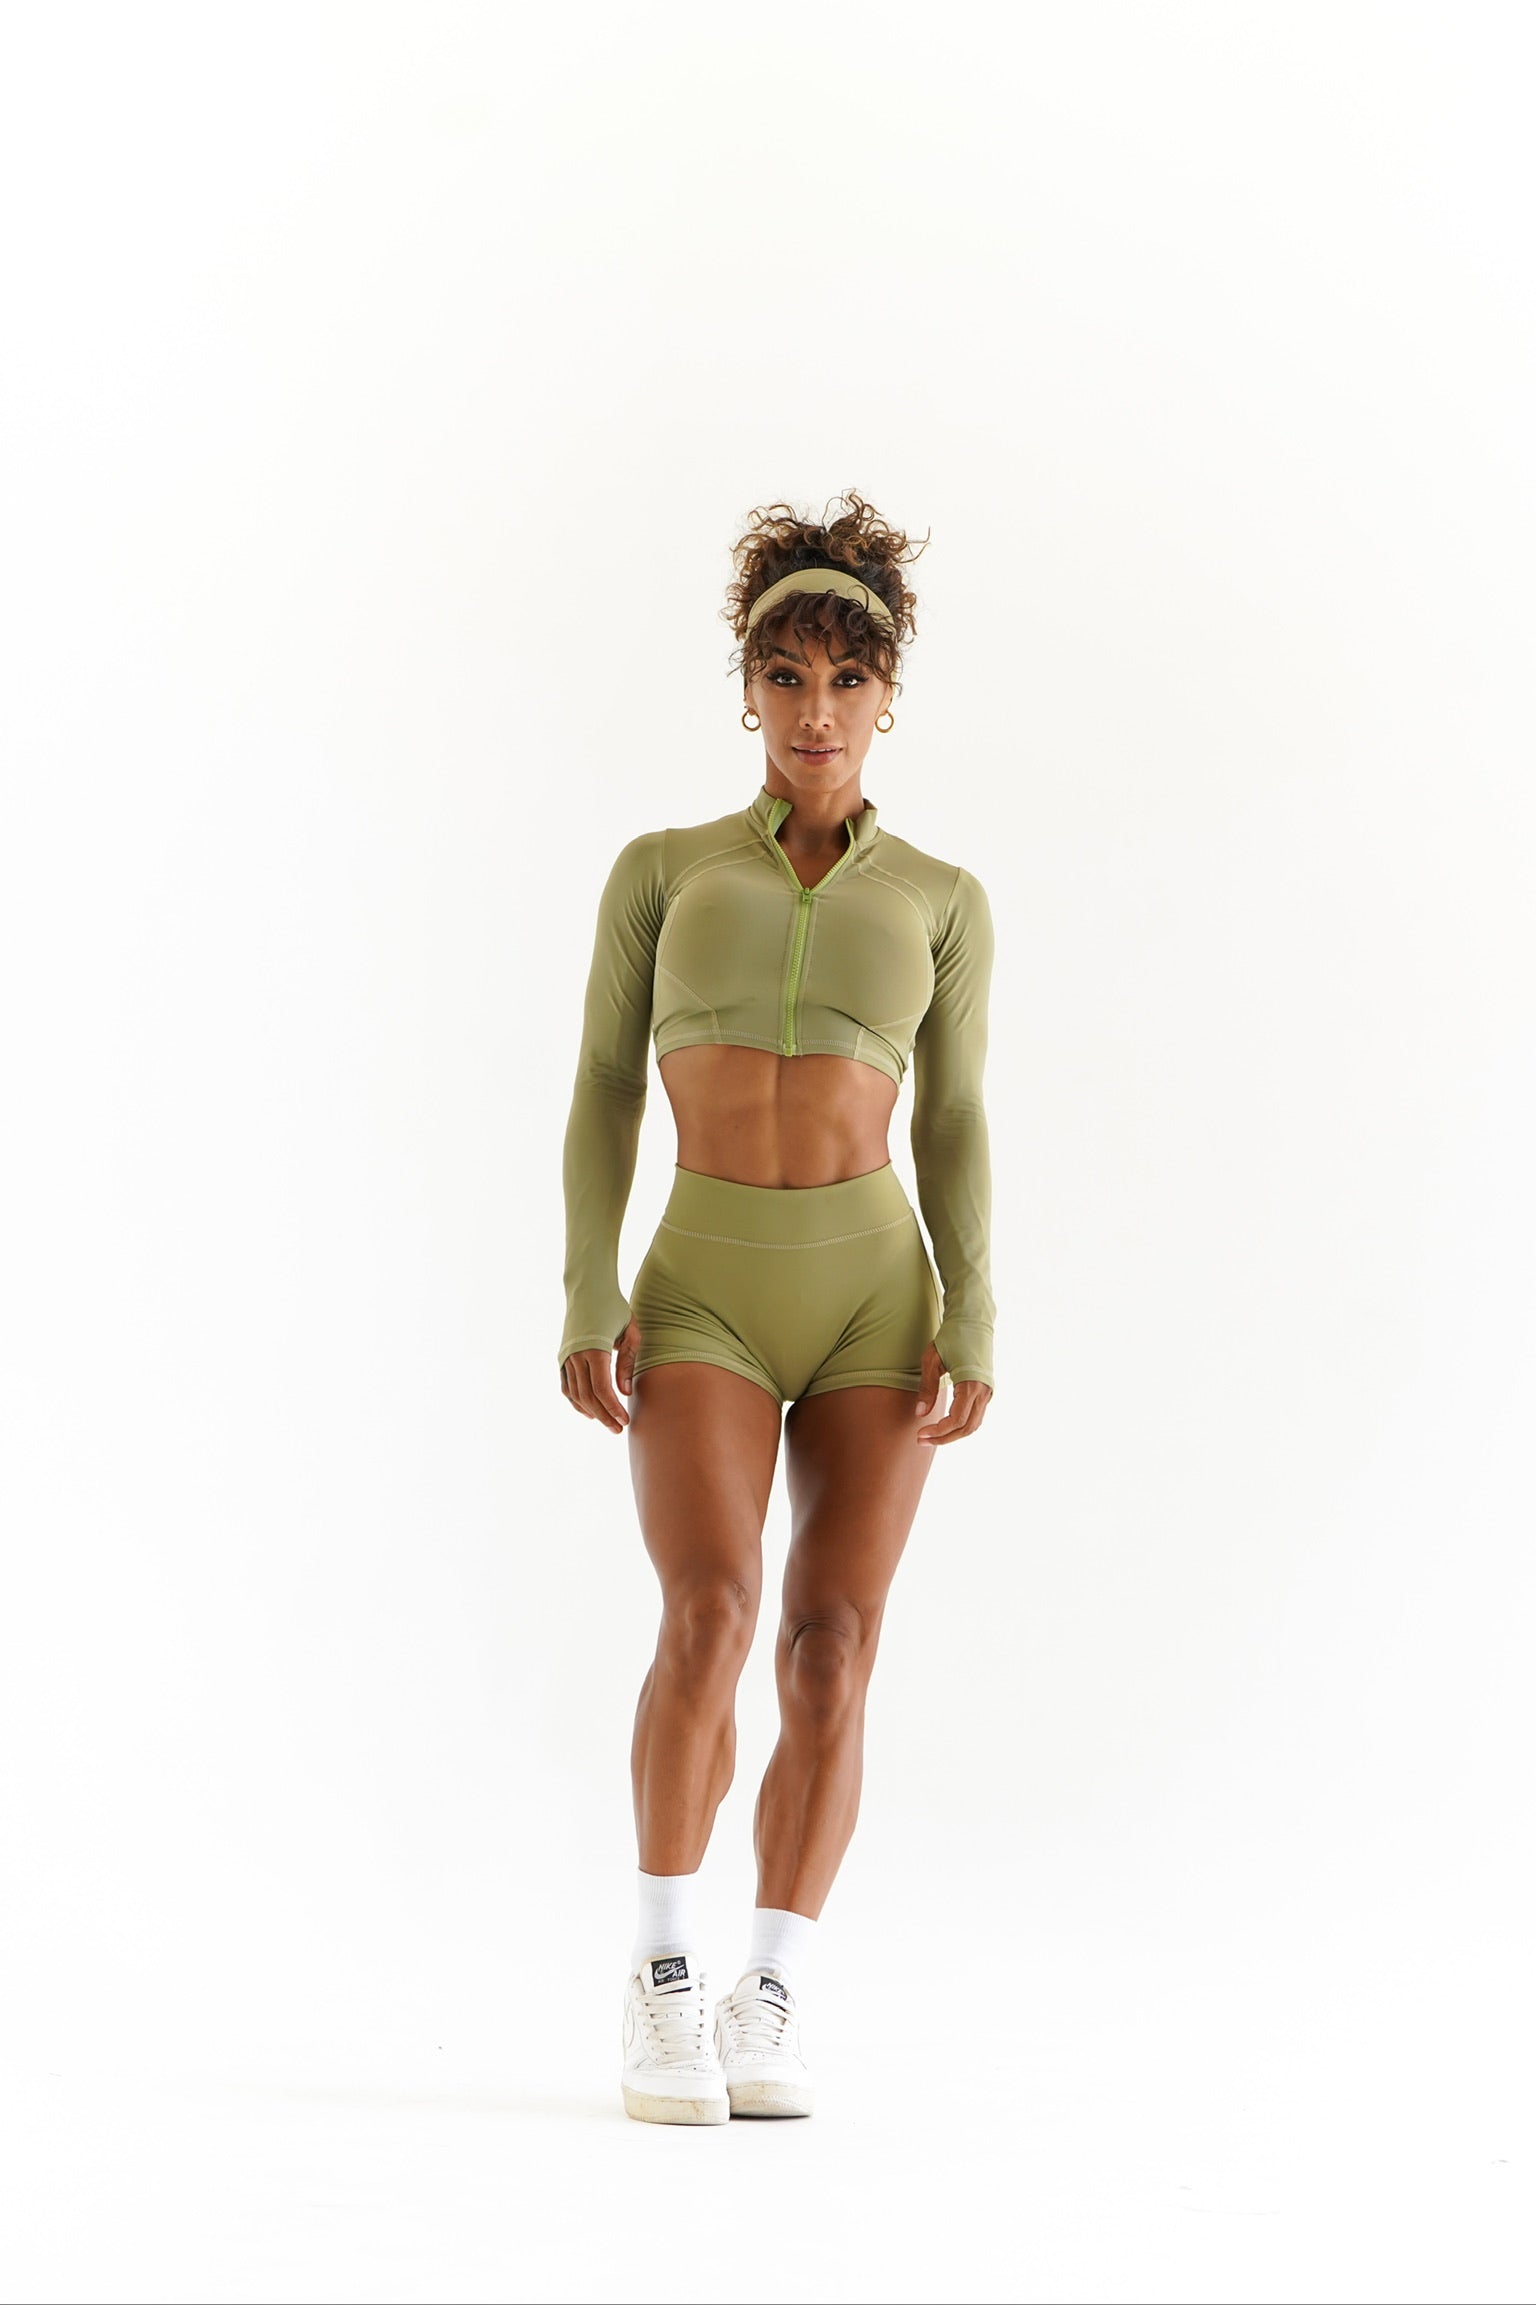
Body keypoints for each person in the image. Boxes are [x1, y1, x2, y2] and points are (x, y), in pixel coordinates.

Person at [557, 491, 996, 2125]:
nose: (818, 711)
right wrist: (589, 1282)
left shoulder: (943, 895)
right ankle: (663, 1975)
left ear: (887, 695)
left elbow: (955, 1117)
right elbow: (605, 1088)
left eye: (848, 680)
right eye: (788, 676)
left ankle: (775, 1988)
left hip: (878, 1296)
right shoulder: (661, 871)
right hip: (706, 1291)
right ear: (748, 688)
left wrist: (977, 1306)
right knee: (712, 1611)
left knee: (834, 1647)